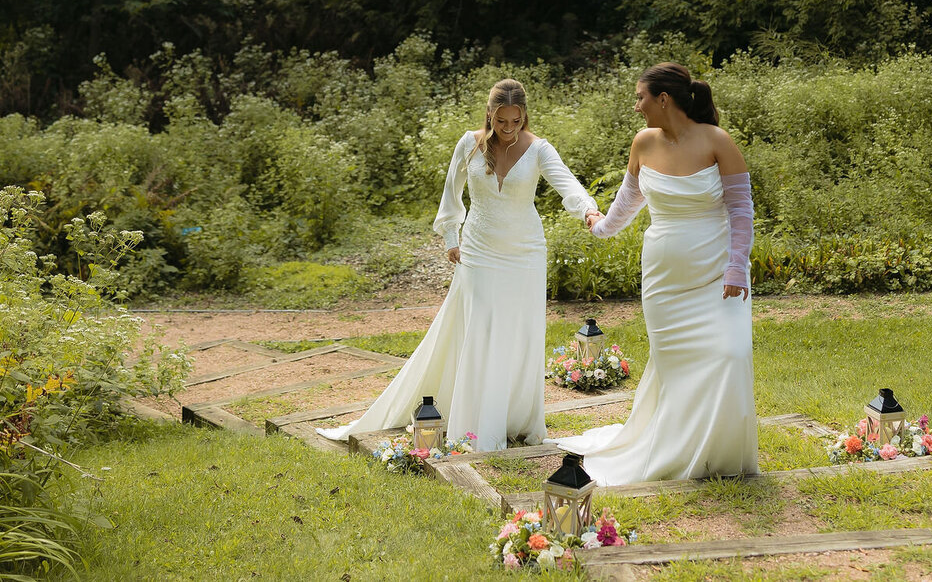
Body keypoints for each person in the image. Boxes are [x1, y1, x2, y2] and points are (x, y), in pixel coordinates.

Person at [318, 78, 599, 451]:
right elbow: (451, 192)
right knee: (481, 328)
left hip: (525, 252)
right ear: (490, 115)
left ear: (524, 116)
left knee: (519, 331)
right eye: (502, 122)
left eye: (516, 121)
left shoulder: (539, 150)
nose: (509, 129)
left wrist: (588, 210)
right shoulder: (470, 144)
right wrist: (452, 236)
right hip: (480, 250)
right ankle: (476, 422)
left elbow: (569, 184)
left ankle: (514, 416)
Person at [553, 62, 759, 483]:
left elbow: (741, 210)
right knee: (675, 363)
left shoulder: (718, 141)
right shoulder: (643, 142)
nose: (636, 106)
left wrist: (737, 265)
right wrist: (602, 226)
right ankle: (674, 447)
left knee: (730, 352)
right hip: (664, 277)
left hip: (718, 271)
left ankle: (719, 452)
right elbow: (630, 199)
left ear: (663, 99)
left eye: (640, 97)